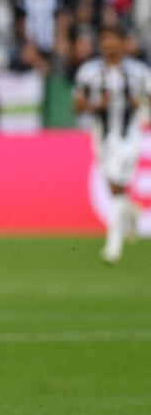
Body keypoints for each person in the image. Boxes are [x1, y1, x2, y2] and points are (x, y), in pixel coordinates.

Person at [73, 23, 150, 263]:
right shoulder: (89, 72)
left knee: (117, 185)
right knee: (113, 184)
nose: (109, 44)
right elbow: (77, 106)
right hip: (102, 135)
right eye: (104, 39)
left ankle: (113, 245)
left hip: (129, 134)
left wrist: (141, 106)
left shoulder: (139, 72)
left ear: (122, 42)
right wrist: (97, 106)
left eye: (113, 38)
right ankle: (131, 212)